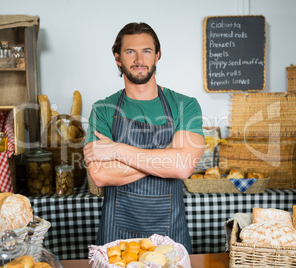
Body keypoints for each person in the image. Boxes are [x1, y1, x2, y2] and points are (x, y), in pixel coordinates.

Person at [83, 22, 205, 253]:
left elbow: (183, 167)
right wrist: (168, 157)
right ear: (118, 58)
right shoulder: (103, 109)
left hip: (171, 236)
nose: (139, 59)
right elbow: (100, 174)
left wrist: (117, 150)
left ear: (157, 56)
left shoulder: (185, 105)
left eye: (146, 51)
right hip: (115, 239)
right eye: (130, 51)